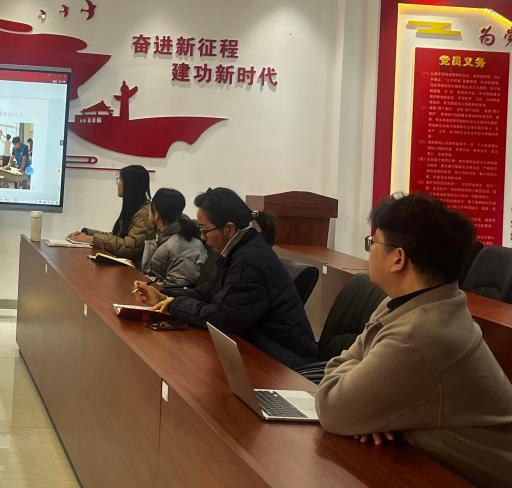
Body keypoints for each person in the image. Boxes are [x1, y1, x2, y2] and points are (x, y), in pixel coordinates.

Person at [315, 193, 512, 487]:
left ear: (398, 258)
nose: (370, 251)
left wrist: (371, 410)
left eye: (373, 243)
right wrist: (378, 413)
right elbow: (349, 370)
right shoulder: (413, 302)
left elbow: (332, 407)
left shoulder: (421, 335)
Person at [133, 187, 317, 369]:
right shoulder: (239, 248)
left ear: (229, 228)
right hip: (257, 348)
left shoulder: (248, 261)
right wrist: (163, 294)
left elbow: (222, 319)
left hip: (283, 364)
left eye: (204, 229)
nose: (202, 238)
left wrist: (172, 304)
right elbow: (207, 292)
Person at [68, 165, 156, 265]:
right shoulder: (134, 208)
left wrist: (92, 239)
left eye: (119, 179)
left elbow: (128, 247)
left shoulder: (145, 214)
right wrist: (88, 233)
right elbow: (116, 236)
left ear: (130, 184)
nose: (117, 183)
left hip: (133, 270)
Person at [140, 188, 207, 289]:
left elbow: (177, 288)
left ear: (157, 213)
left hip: (170, 297)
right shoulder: (165, 234)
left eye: (151, 206)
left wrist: (146, 285)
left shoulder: (184, 246)